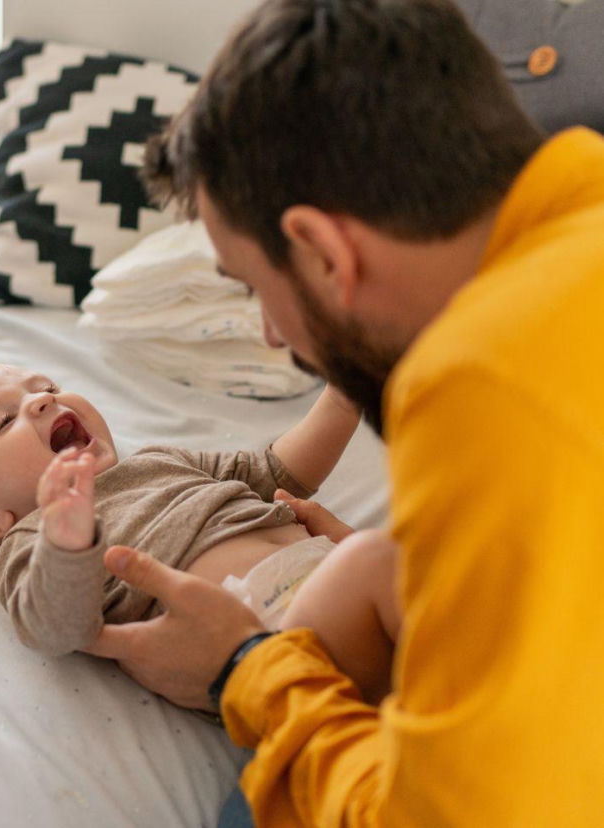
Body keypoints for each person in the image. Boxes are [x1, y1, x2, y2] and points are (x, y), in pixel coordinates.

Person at [81, 0, 604, 824]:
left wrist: (244, 666)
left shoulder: (482, 380)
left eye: (257, 286)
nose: (268, 329)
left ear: (325, 251)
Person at [0, 363, 400, 703]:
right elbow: (55, 628)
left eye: (48, 387)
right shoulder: (35, 541)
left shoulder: (159, 461)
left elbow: (276, 473)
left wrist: (340, 399)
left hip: (333, 597)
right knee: (377, 557)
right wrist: (68, 540)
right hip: (272, 635)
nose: (40, 400)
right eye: (4, 421)